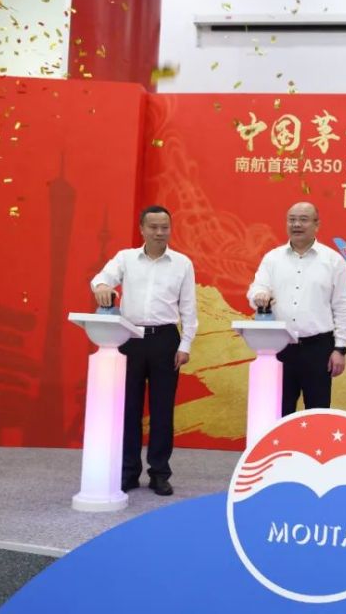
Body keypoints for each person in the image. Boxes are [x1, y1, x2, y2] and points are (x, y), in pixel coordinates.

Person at [91, 205, 198, 496]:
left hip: (166, 340)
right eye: (153, 227)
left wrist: (185, 345)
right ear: (142, 229)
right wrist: (102, 286)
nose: (159, 232)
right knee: (129, 409)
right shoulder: (125, 258)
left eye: (165, 227)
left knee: (163, 411)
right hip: (130, 338)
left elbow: (189, 309)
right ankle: (128, 471)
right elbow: (100, 278)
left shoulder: (182, 263)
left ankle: (159, 473)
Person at [247, 202, 346, 415]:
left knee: (317, 413)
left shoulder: (333, 260)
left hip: (318, 349)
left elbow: (343, 306)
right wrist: (258, 295)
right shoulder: (273, 258)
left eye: (303, 220)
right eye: (292, 219)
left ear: (316, 225)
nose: (296, 224)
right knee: (278, 411)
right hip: (279, 347)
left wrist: (340, 348)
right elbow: (256, 288)